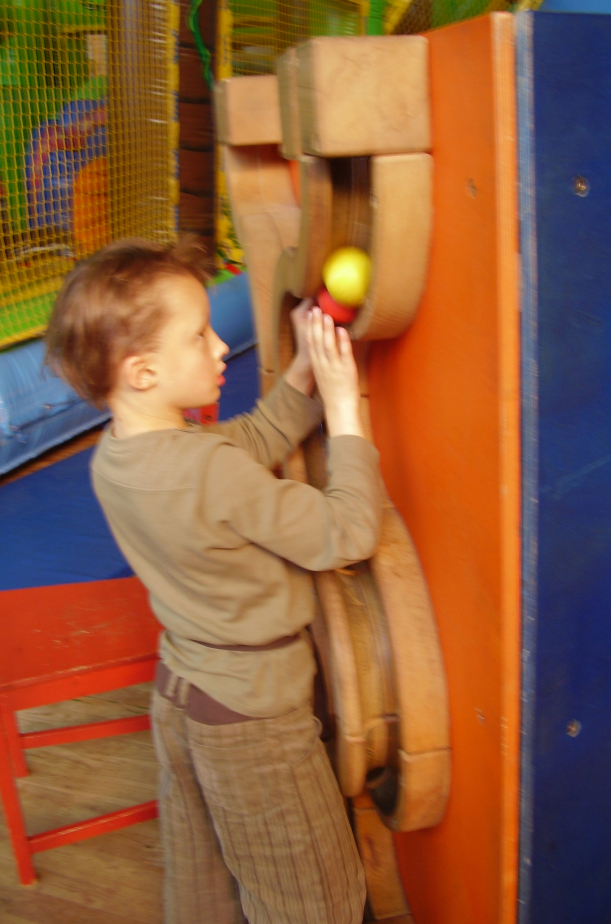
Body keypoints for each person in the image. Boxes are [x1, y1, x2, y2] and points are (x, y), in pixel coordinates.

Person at [45, 236, 383, 924]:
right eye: (199, 336)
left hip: (185, 696)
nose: (221, 346)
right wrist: (346, 410)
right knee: (313, 903)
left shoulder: (117, 458)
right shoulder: (206, 471)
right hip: (252, 720)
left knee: (209, 890)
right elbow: (347, 531)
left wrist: (302, 372)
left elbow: (246, 444)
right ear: (143, 371)